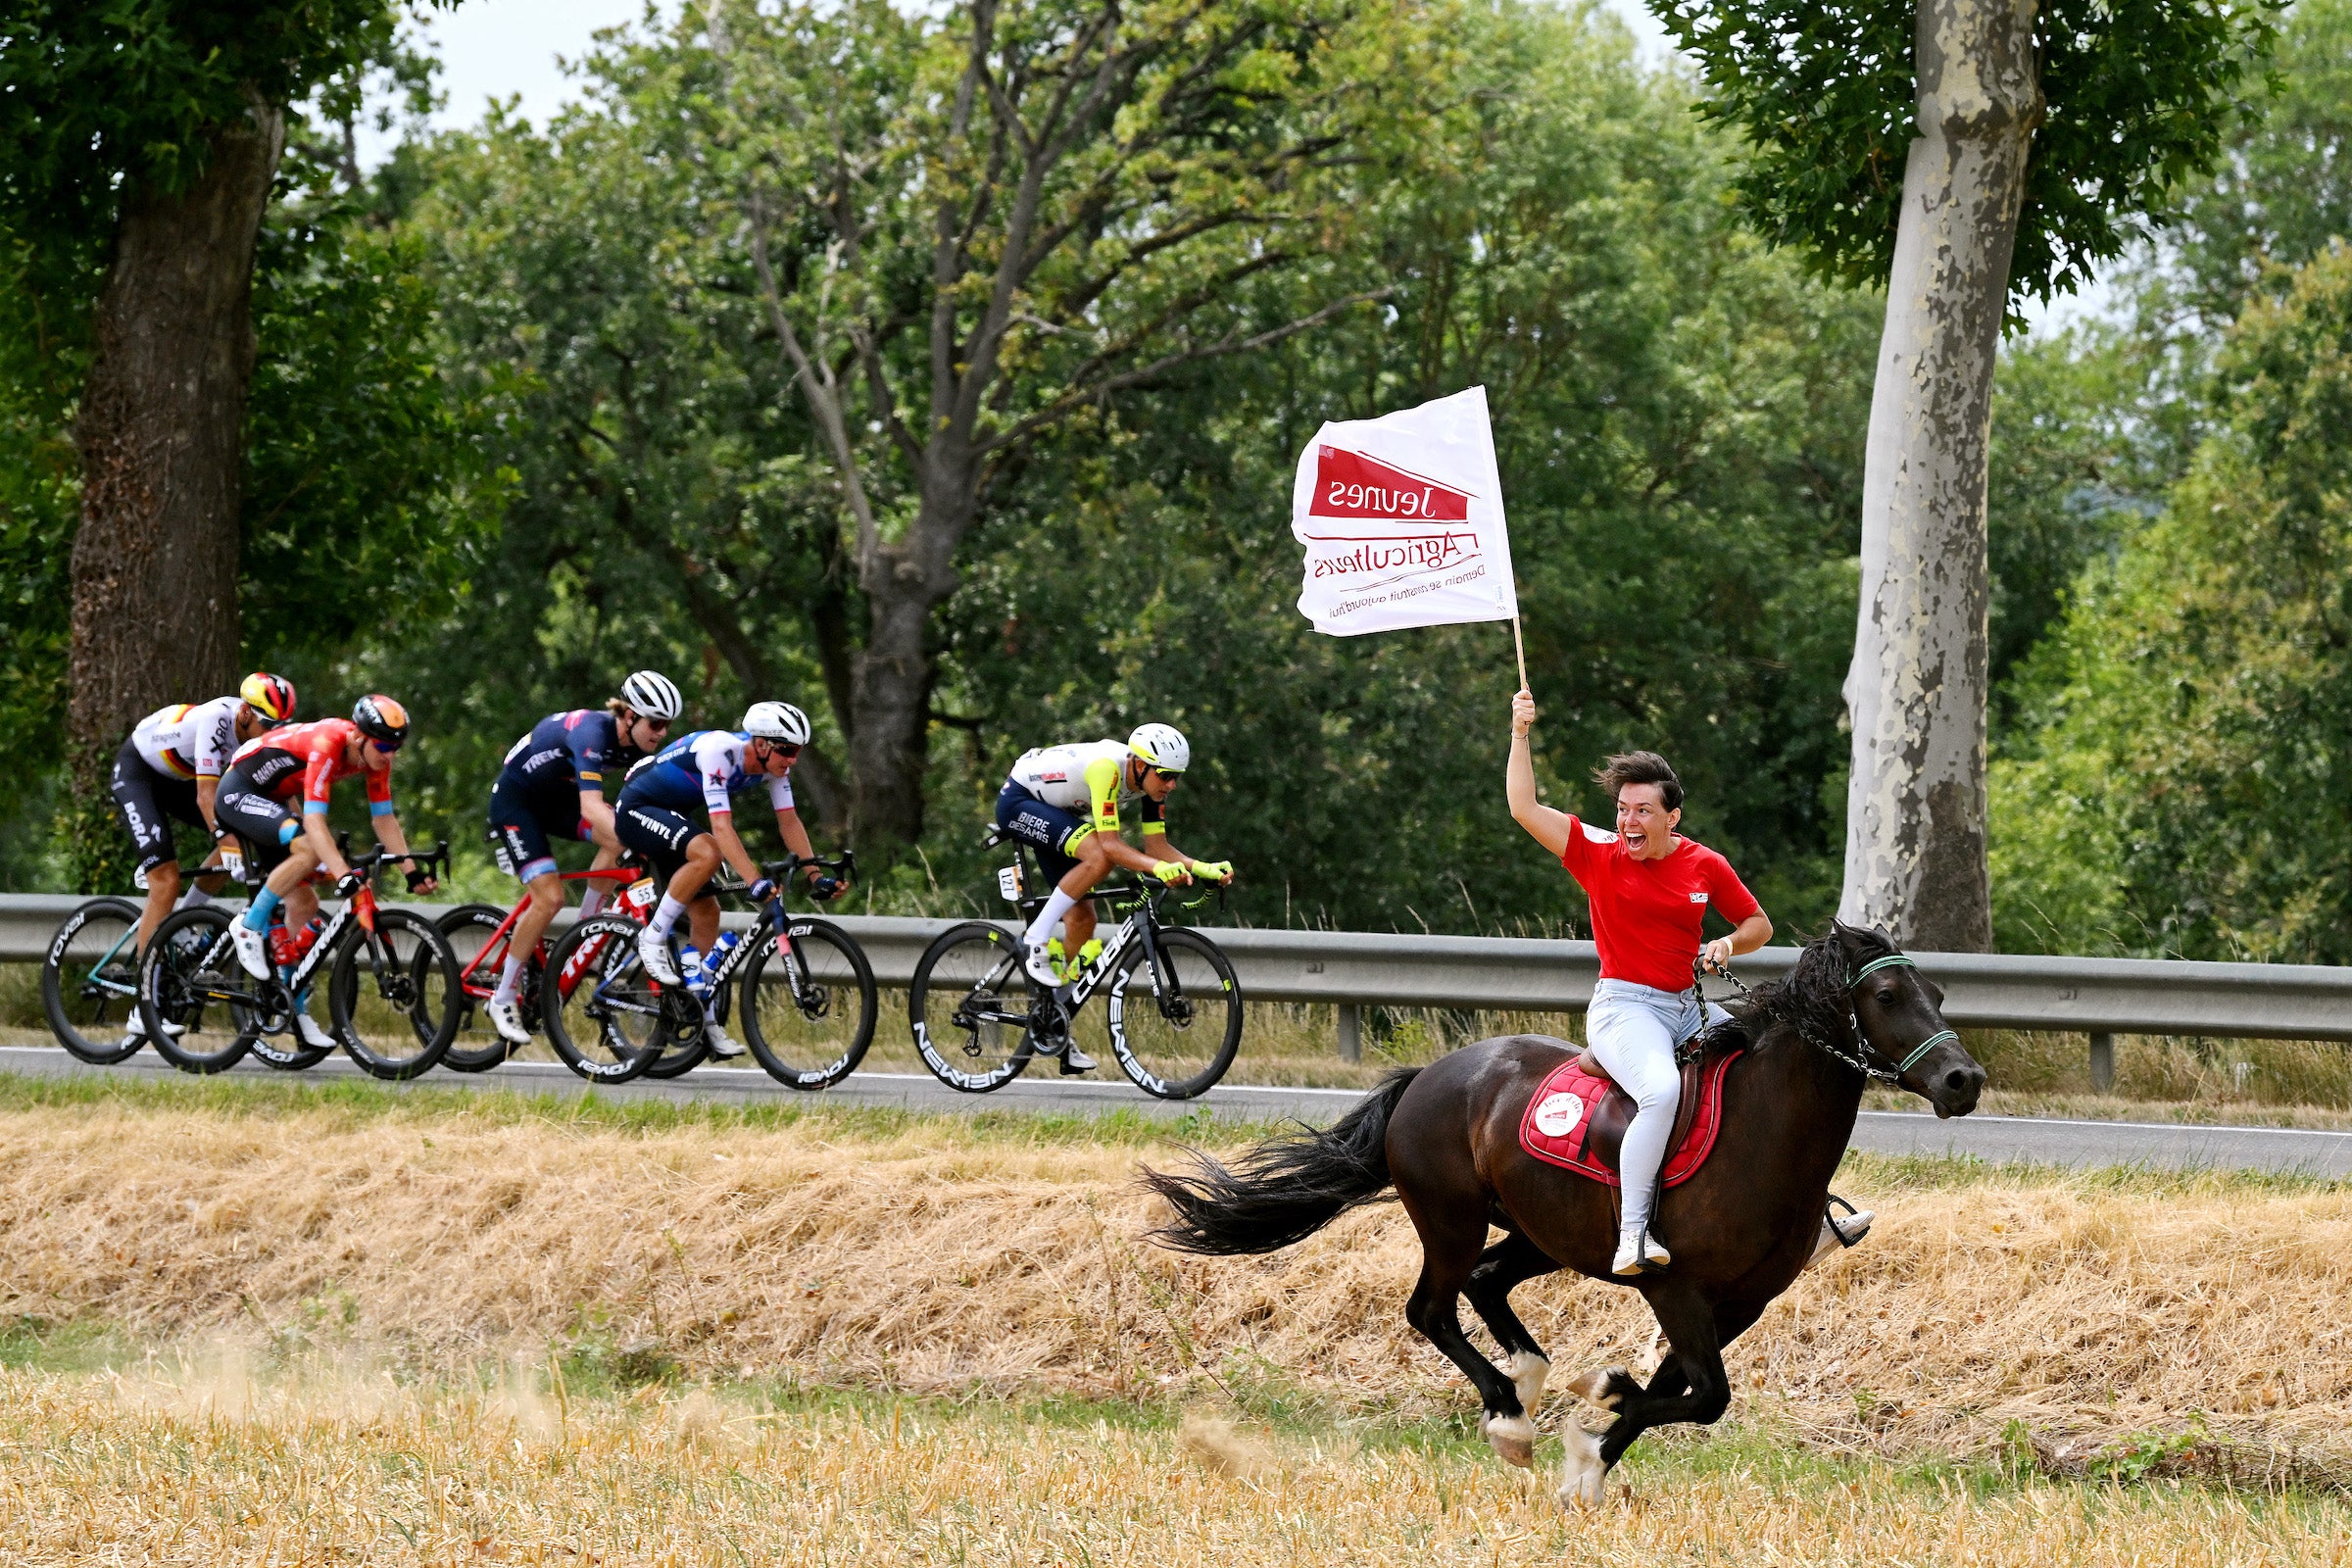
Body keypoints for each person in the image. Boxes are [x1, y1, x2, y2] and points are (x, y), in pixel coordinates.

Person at [1505, 690, 1774, 1276]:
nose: (1629, 820)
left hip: (1686, 1006)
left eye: (1643, 810)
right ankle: (1632, 1236)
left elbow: (1759, 924)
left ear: (1671, 817)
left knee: (1771, 1068)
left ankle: (1812, 1214)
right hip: (1624, 1008)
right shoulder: (1598, 852)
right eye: (1624, 809)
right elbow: (1523, 807)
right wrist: (1521, 734)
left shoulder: (1705, 863)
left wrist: (1727, 944)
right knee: (1660, 1092)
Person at [995, 723, 1232, 1074]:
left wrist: (1202, 868)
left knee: (1083, 919)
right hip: (1020, 801)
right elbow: (1110, 846)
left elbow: (1158, 849)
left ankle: (1052, 1019)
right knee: (1098, 856)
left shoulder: (1153, 789)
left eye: (1176, 777)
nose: (1171, 785)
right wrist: (1158, 868)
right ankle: (1034, 939)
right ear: (1139, 764)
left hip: (1058, 812)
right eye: (1165, 776)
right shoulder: (1107, 768)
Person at [615, 702, 839, 1059]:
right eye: (787, 750)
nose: (793, 759)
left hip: (672, 813)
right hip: (637, 806)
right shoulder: (721, 751)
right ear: (762, 744)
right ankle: (652, 938)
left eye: (798, 751)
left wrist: (816, 875)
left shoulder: (774, 769)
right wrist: (753, 880)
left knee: (707, 914)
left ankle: (704, 1021)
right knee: (708, 852)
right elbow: (722, 827)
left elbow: (790, 822)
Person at [216, 696, 439, 1049]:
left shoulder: (377, 760)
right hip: (239, 791)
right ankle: (247, 927)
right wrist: (343, 874)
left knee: (304, 905)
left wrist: (411, 872)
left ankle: (295, 1012)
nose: (390, 754)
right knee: (307, 849)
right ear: (359, 738)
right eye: (383, 745)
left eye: (396, 747)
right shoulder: (328, 742)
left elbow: (383, 819)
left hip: (274, 802)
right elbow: (315, 822)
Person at [482, 670, 684, 1046]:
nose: (661, 733)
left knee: (617, 842)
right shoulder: (592, 733)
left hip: (557, 799)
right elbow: (592, 808)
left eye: (667, 725)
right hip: (517, 802)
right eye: (655, 723)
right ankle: (503, 996)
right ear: (628, 715)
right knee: (551, 897)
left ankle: (583, 931)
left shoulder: (641, 745)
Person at [113, 673, 299, 980]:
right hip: (140, 773)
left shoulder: (258, 735)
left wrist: (304, 834)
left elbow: (282, 795)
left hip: (179, 780)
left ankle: (184, 921)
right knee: (166, 882)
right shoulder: (218, 717)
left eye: (277, 728)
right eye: (265, 726)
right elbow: (206, 797)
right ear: (244, 713)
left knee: (248, 832)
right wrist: (228, 846)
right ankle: (145, 997)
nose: (270, 735)